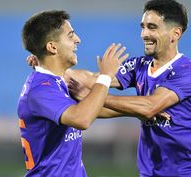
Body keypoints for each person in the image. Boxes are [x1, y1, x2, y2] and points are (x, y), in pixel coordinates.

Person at [58, 0, 191, 176]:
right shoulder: (139, 65)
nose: (144, 34)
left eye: (152, 27)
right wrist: (48, 65)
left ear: (175, 33)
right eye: (143, 26)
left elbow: (150, 106)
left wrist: (90, 96)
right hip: (149, 173)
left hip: (186, 173)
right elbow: (94, 79)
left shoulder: (188, 72)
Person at [17, 10, 129, 177]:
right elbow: (82, 118)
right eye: (70, 36)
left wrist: (142, 112)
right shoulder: (41, 89)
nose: (78, 40)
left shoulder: (56, 82)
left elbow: (93, 108)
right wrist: (105, 76)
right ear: (52, 46)